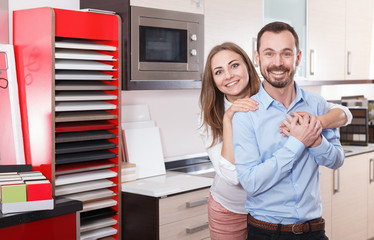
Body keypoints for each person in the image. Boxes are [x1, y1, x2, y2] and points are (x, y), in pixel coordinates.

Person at [199, 42, 351, 239]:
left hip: (273, 216)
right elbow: (234, 177)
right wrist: (228, 119)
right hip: (231, 208)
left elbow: (344, 113)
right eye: (219, 71)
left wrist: (314, 126)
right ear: (212, 79)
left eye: (234, 65)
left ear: (250, 64)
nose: (228, 75)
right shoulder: (211, 115)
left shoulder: (274, 94)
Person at [232, 21, 345, 240]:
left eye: (286, 54)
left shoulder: (318, 105)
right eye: (269, 54)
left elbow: (337, 160)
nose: (277, 63)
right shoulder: (246, 115)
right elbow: (251, 183)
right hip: (266, 233)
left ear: (298, 58)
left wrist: (316, 142)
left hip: (314, 231)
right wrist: (298, 142)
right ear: (258, 58)